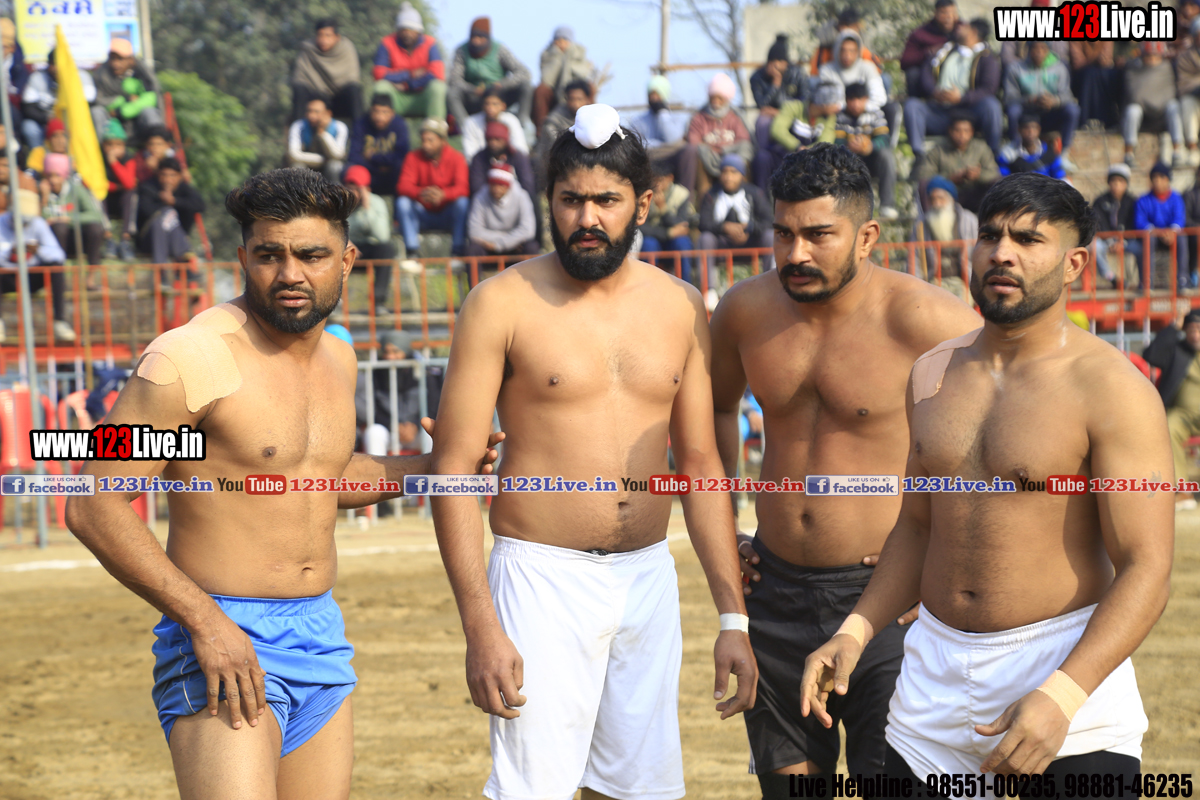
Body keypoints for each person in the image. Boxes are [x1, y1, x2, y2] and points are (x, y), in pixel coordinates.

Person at [64, 167, 500, 800]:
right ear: (244, 258)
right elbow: (93, 502)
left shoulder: (339, 355)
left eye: (311, 255)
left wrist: (434, 467)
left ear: (347, 260)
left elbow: (313, 480)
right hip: (220, 629)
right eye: (269, 255)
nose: (290, 274)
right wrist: (205, 622)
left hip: (320, 633)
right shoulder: (190, 358)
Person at [429, 102, 756, 800]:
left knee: (639, 791)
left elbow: (701, 466)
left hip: (647, 578)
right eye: (571, 199)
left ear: (644, 204)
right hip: (539, 579)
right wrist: (481, 625)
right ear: (548, 200)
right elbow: (454, 468)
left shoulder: (681, 306)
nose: (587, 217)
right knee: (535, 791)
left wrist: (732, 617)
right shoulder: (498, 303)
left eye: (607, 200)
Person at [800, 171, 1172, 780]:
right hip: (932, 685)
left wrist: (1063, 695)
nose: (1002, 252)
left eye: (1028, 239)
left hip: (1064, 675)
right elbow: (917, 527)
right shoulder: (931, 373)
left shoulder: (1114, 389)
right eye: (990, 236)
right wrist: (855, 631)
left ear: (1075, 263)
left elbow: (1147, 567)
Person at [708, 143, 980, 799]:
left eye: (818, 235)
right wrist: (727, 528)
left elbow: (991, 447)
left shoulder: (927, 320)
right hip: (772, 591)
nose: (795, 253)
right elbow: (715, 412)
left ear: (866, 237)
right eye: (783, 234)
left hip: (884, 598)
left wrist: (944, 562)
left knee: (888, 782)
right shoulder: (745, 311)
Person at [904, 18, 1003, 161]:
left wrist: (961, 98)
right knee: (912, 106)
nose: (959, 28)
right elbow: (926, 71)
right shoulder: (945, 50)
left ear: (973, 32)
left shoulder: (987, 57)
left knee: (992, 105)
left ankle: (994, 154)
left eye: (965, 27)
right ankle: (918, 155)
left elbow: (989, 89)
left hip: (969, 112)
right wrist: (934, 92)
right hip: (941, 111)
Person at [1144, 307, 1200, 508]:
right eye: (1191, 329)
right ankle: (1183, 492)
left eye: (1199, 329)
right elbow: (1151, 355)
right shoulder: (1178, 350)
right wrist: (1174, 327)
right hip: (1183, 415)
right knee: (1168, 426)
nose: (1196, 334)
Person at [0, 188, 74, 341]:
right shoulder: (1, 223)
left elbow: (58, 255)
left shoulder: (38, 223)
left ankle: (59, 321)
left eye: (26, 222)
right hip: (7, 277)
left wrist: (38, 250)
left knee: (56, 267)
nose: (23, 226)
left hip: (31, 276)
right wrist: (10, 251)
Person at [698, 153, 773, 302]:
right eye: (725, 172)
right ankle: (709, 291)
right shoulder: (712, 194)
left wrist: (750, 228)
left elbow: (769, 220)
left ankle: (772, 284)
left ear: (742, 175)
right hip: (722, 244)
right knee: (705, 238)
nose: (728, 177)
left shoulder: (754, 193)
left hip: (750, 242)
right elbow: (703, 223)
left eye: (734, 172)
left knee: (770, 236)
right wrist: (724, 227)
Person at [396, 118, 469, 258]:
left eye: (430, 140)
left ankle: (458, 250)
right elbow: (403, 185)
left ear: (443, 141)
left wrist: (443, 194)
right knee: (402, 203)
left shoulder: (457, 158)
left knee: (463, 203)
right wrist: (422, 193)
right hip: (422, 212)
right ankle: (412, 251)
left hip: (447, 213)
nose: (426, 145)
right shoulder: (413, 157)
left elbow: (463, 188)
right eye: (423, 140)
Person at [1004, 41, 1081, 171]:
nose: (1039, 52)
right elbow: (1009, 98)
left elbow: (1067, 95)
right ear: (1028, 50)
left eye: (1043, 49)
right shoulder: (1016, 68)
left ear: (1048, 51)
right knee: (1013, 111)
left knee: (1072, 110)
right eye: (1035, 48)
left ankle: (1064, 153)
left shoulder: (1059, 67)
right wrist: (1030, 99)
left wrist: (1055, 100)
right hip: (1027, 112)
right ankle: (1016, 150)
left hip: (1051, 111)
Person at [448, 17, 534, 132]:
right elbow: (455, 79)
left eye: (480, 37)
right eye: (473, 37)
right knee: (452, 93)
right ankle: (466, 128)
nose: (476, 41)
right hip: (474, 96)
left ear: (488, 38)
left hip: (498, 94)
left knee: (526, 86)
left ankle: (521, 125)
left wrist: (501, 84)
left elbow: (524, 72)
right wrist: (472, 89)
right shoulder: (462, 51)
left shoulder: (499, 49)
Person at [371, 3, 447, 122]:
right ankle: (385, 130)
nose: (407, 34)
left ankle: (435, 128)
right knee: (381, 88)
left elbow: (437, 73)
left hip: (422, 97)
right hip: (397, 97)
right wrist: (409, 74)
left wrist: (409, 84)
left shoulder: (430, 43)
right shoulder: (387, 43)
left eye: (411, 30)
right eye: (403, 30)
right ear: (398, 31)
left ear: (418, 31)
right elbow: (379, 73)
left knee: (438, 87)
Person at [681, 74, 753, 198]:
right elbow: (694, 141)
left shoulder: (735, 118)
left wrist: (724, 150)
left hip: (731, 158)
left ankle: (745, 198)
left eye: (720, 98)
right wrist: (711, 151)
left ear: (727, 98)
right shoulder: (699, 118)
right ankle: (704, 200)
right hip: (707, 159)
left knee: (743, 159)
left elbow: (744, 141)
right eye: (713, 97)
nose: (716, 102)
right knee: (697, 157)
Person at [834, 82, 898, 221]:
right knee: (838, 158)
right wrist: (849, 146)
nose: (855, 104)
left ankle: (887, 204)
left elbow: (884, 139)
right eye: (851, 99)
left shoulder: (876, 114)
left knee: (887, 156)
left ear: (866, 99)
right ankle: (846, 207)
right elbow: (837, 142)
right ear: (846, 100)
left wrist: (870, 146)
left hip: (872, 160)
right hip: (850, 161)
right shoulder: (839, 117)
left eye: (859, 99)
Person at [915, 112, 1000, 213]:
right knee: (924, 184)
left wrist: (978, 175)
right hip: (947, 195)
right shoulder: (938, 151)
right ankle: (929, 218)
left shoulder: (981, 148)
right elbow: (924, 175)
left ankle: (995, 216)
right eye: (957, 130)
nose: (962, 135)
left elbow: (994, 173)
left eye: (966, 131)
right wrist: (950, 179)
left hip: (976, 194)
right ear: (950, 131)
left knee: (997, 182)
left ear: (972, 132)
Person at [912, 175, 978, 297]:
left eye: (941, 198)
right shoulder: (921, 225)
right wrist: (916, 289)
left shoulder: (969, 221)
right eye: (932, 199)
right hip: (933, 282)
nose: (937, 203)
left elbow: (978, 252)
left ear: (951, 199)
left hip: (963, 281)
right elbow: (915, 258)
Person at [750, 35, 810, 166]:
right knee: (762, 122)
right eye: (772, 61)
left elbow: (804, 100)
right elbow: (762, 105)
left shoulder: (797, 73)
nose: (776, 65)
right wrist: (775, 85)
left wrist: (782, 113)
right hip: (770, 116)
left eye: (779, 61)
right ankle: (764, 156)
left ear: (786, 62)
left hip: (793, 115)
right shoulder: (757, 77)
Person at [1122, 42, 1184, 169]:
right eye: (1149, 55)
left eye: (1155, 55)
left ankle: (1177, 152)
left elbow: (1170, 93)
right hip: (1143, 112)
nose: (1152, 58)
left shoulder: (1167, 67)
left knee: (1174, 106)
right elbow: (1134, 94)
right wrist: (1149, 103)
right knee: (1132, 111)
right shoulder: (1133, 68)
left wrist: (1157, 103)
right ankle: (1128, 154)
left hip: (1162, 112)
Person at [133, 157, 205, 266]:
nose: (167, 179)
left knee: (171, 211)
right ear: (158, 175)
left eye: (172, 175)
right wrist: (164, 202)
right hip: (149, 240)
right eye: (164, 175)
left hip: (174, 240)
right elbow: (145, 210)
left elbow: (200, 205)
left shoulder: (184, 189)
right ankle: (183, 252)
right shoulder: (148, 187)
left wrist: (175, 201)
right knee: (167, 212)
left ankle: (168, 263)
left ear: (179, 176)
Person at [1130, 162, 1190, 291]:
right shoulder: (1144, 200)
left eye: (1162, 177)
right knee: (1148, 240)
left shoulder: (1176, 198)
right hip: (1153, 236)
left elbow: (1179, 218)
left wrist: (1172, 231)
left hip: (1171, 237)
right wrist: (1156, 231)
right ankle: (1147, 282)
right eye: (1155, 178)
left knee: (1182, 238)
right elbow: (1140, 221)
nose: (1158, 181)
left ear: (1168, 179)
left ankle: (1183, 280)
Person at [345, 165, 397, 315]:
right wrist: (345, 241)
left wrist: (367, 207)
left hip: (370, 250)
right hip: (347, 250)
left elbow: (382, 236)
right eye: (350, 187)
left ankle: (378, 301)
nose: (353, 192)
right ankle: (334, 303)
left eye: (357, 188)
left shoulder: (377, 203)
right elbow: (332, 229)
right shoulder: (341, 203)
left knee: (387, 249)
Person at [41, 153, 107, 269]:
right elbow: (39, 220)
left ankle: (92, 273)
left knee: (95, 228)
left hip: (77, 239)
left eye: (57, 175)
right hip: (54, 240)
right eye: (49, 175)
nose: (53, 180)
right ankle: (58, 271)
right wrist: (44, 199)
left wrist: (69, 219)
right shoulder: (41, 191)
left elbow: (95, 215)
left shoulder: (76, 189)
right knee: (60, 227)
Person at [22, 47, 96, 148]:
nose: (56, 68)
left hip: (74, 120)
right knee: (29, 127)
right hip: (46, 121)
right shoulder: (37, 77)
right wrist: (47, 118)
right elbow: (28, 108)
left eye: (60, 64)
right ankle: (38, 155)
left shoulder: (82, 76)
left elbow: (90, 103)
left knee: (96, 113)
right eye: (53, 64)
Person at [91, 37, 163, 142]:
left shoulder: (142, 72)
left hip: (137, 121)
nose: (115, 64)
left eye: (120, 59)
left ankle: (157, 145)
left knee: (149, 112)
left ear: (130, 60)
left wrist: (124, 111)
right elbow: (98, 100)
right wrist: (124, 100)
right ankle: (100, 148)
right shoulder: (102, 74)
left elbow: (151, 98)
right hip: (112, 121)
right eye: (112, 58)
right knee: (96, 112)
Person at [291, 18, 362, 123]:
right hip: (315, 97)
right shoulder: (308, 49)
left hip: (339, 99)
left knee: (354, 90)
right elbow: (300, 78)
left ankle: (359, 130)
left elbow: (352, 78)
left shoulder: (347, 48)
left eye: (328, 35)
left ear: (337, 37)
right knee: (299, 90)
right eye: (320, 35)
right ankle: (298, 128)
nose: (323, 40)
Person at [466, 163, 538, 260]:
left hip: (515, 247)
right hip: (490, 246)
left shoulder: (522, 196)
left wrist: (500, 244)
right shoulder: (480, 197)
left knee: (531, 247)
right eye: (493, 184)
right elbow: (474, 231)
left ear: (508, 186)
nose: (496, 189)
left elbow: (528, 230)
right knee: (473, 249)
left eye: (500, 185)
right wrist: (507, 239)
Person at [639, 165, 697, 283]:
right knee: (648, 244)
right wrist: (668, 233)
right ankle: (648, 286)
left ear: (670, 178)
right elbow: (642, 227)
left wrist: (664, 210)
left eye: (660, 180)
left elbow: (682, 225)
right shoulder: (645, 194)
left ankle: (686, 285)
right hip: (655, 238)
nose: (657, 184)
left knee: (682, 243)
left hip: (673, 242)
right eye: (654, 180)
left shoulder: (681, 194)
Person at [347, 94, 410, 200]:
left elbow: (402, 156)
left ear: (392, 113)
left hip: (391, 174)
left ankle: (398, 209)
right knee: (349, 170)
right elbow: (354, 156)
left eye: (384, 112)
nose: (379, 117)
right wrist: (377, 168)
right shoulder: (361, 123)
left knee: (401, 168)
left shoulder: (400, 125)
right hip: (368, 173)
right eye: (376, 111)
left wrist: (373, 157)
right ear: (370, 111)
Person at [535, 79, 594, 187]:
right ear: (566, 99)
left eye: (579, 99)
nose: (575, 103)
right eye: (572, 99)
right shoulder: (553, 122)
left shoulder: (594, 117)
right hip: (561, 170)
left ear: (587, 99)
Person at [534, 26, 594, 130]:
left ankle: (592, 121)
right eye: (558, 39)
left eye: (565, 39)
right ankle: (540, 130)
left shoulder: (579, 52)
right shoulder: (547, 54)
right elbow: (547, 79)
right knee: (541, 90)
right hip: (554, 93)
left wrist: (567, 59)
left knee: (591, 87)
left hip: (575, 90)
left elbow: (583, 74)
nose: (561, 43)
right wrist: (557, 57)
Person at [626, 75, 690, 169]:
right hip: (648, 160)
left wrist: (662, 114)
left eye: (657, 95)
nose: (654, 99)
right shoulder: (638, 121)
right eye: (651, 95)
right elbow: (635, 143)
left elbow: (673, 140)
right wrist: (659, 145)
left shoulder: (677, 119)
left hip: (671, 159)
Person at [899, 0, 959, 96]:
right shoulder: (921, 34)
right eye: (944, 13)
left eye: (953, 13)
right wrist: (928, 52)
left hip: (957, 73)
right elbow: (905, 60)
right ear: (935, 13)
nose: (949, 17)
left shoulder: (963, 30)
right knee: (913, 74)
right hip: (928, 75)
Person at [1091, 163, 1137, 287]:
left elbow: (1134, 224)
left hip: (1128, 241)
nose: (1116, 185)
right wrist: (1111, 241)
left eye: (1120, 181)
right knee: (1094, 246)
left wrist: (1122, 242)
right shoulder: (1100, 201)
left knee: (1142, 248)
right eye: (1113, 181)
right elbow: (1097, 223)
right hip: (1106, 241)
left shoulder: (1132, 202)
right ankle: (1111, 277)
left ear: (1126, 184)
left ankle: (1144, 282)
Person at [467, 120, 536, 199]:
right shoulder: (479, 158)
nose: (493, 143)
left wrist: (506, 194)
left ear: (505, 140)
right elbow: (476, 187)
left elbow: (527, 185)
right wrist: (495, 190)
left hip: (516, 199)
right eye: (490, 139)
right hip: (487, 201)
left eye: (497, 139)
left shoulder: (518, 157)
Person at [287, 98, 349, 183]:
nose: (311, 116)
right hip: (308, 165)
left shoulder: (339, 127)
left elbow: (338, 155)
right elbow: (293, 155)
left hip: (328, 167)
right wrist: (323, 160)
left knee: (335, 166)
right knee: (297, 167)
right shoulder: (299, 126)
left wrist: (322, 133)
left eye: (316, 112)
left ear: (328, 113)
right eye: (309, 111)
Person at [461, 86, 529, 162]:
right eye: (487, 104)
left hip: (508, 164)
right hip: (481, 164)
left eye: (495, 104)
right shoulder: (471, 122)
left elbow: (521, 149)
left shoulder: (512, 121)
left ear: (503, 106)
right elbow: (470, 153)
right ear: (482, 105)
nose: (490, 108)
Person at [997, 114, 1066, 179]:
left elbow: (1059, 174)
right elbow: (1004, 178)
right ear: (1019, 130)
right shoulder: (1008, 154)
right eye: (1026, 128)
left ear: (1039, 129)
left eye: (1034, 127)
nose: (1030, 131)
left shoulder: (1049, 151)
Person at [102, 119, 138, 239]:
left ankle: (126, 235)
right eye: (110, 144)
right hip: (106, 199)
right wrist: (116, 187)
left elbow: (129, 184)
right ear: (104, 145)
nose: (114, 148)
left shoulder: (129, 158)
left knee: (131, 194)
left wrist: (114, 162)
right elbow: (97, 183)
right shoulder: (99, 159)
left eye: (118, 144)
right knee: (97, 194)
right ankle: (107, 234)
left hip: (122, 201)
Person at [1070, 40, 1117, 130]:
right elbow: (1078, 62)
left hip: (1100, 72)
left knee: (1100, 74)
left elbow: (1106, 60)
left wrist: (1093, 60)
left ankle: (1105, 118)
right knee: (1090, 74)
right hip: (1081, 74)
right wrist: (1096, 59)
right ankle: (1086, 118)